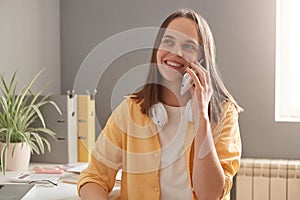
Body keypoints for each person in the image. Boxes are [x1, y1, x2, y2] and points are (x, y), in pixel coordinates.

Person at [78, 8, 242, 200]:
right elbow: (93, 178)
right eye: (168, 42)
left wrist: (201, 118)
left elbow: (210, 195)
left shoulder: (224, 114)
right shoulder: (130, 110)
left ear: (202, 61)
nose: (176, 52)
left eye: (188, 46)